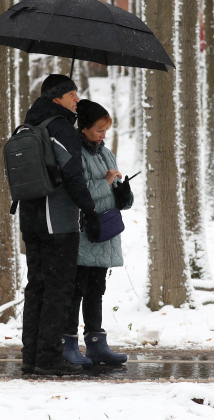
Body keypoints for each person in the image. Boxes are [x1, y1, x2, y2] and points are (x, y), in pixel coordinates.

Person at [19, 74, 102, 376]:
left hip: (30, 218)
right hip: (58, 221)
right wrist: (90, 209)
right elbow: (73, 175)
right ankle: (48, 357)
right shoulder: (60, 128)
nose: (77, 99)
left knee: (37, 286)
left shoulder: (31, 125)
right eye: (71, 94)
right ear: (56, 98)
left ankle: (31, 356)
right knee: (58, 289)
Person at [61, 100, 133, 367]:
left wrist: (123, 192)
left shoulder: (106, 152)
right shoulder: (75, 153)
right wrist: (105, 183)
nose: (103, 135)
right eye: (99, 130)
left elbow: (113, 189)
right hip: (84, 231)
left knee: (96, 290)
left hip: (105, 230)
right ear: (84, 128)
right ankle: (68, 343)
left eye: (106, 130)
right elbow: (78, 192)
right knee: (77, 290)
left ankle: (96, 344)